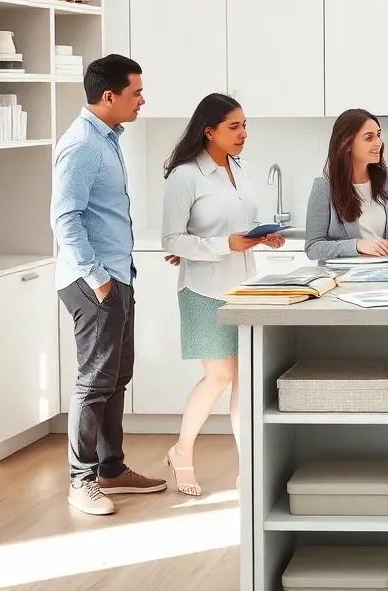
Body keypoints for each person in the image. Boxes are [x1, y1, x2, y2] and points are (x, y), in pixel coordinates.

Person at [51, 54, 167, 516]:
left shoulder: (107, 138)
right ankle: (81, 481)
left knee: (117, 377)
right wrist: (99, 281)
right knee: (94, 382)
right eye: (136, 92)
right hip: (93, 281)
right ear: (109, 96)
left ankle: (111, 469)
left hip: (117, 276)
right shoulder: (81, 144)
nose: (142, 99)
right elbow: (65, 218)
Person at [159, 93, 284, 497]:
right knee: (220, 375)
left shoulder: (240, 169)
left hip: (244, 288)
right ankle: (182, 452)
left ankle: (247, 468)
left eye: (245, 125)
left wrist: (262, 238)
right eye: (235, 126)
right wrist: (223, 244)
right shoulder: (185, 176)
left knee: (243, 380)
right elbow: (172, 239)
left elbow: (240, 227)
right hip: (204, 290)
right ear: (208, 131)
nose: (243, 133)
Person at [304, 109, 388, 261]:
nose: (379, 142)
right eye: (368, 138)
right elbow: (313, 248)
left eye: (378, 135)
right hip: (344, 278)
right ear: (347, 144)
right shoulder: (324, 187)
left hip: (386, 272)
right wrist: (357, 245)